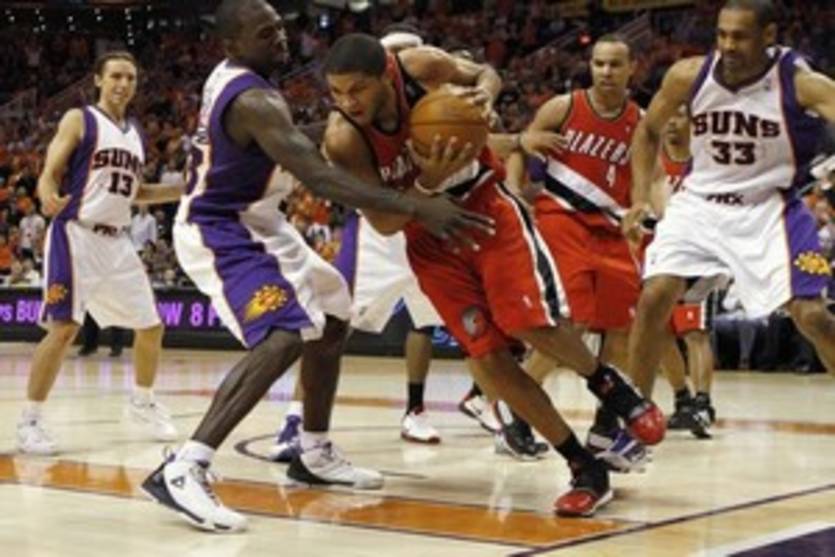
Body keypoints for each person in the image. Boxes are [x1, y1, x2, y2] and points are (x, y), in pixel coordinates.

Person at [140, 0, 493, 533]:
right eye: (266, 34)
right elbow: (320, 177)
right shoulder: (254, 99)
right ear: (232, 44)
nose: (281, 38)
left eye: (280, 28)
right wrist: (419, 204)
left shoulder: (241, 79)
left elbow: (284, 138)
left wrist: (350, 122)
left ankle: (313, 450)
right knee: (284, 335)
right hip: (221, 228)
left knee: (333, 316)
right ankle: (185, 467)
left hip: (260, 220)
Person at [321, 33, 664, 517]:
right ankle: (585, 467)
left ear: (385, 75)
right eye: (336, 92)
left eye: (357, 89)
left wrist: (483, 95)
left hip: (486, 206)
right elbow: (383, 221)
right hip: (428, 238)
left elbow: (486, 73)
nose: (347, 102)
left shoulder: (419, 65)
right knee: (489, 360)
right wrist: (428, 182)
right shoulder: (343, 138)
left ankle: (609, 386)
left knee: (529, 324)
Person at [623, 0, 835, 403]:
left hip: (770, 207)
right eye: (721, 35)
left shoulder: (802, 84)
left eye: (739, 36)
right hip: (701, 203)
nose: (728, 45)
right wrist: (638, 199)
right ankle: (631, 413)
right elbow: (648, 131)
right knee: (654, 296)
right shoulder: (689, 75)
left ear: (768, 36)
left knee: (813, 316)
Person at [508, 35, 700, 462]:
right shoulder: (564, 107)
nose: (606, 72)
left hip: (613, 226)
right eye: (599, 64)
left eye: (614, 64)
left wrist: (661, 216)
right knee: (570, 324)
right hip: (562, 218)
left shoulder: (642, 121)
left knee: (621, 328)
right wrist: (515, 190)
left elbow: (654, 178)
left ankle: (605, 424)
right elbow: (520, 146)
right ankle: (518, 416)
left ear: (632, 69)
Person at [271, 27, 448, 462]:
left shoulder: (433, 106)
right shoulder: (351, 123)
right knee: (333, 321)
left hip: (425, 222)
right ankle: (295, 418)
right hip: (377, 230)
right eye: (395, 55)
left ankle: (425, 409)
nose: (402, 64)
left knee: (430, 323)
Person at [16, 51, 181, 455]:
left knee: (151, 327)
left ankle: (142, 402)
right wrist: (46, 194)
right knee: (63, 328)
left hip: (117, 241)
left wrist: (187, 189)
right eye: (116, 76)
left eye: (130, 77)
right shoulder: (80, 119)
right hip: (78, 233)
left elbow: (136, 192)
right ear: (98, 80)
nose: (123, 84)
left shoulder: (135, 133)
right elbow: (50, 172)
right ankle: (30, 422)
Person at [652, 105, 718, 427]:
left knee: (695, 331)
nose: (671, 123)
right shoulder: (652, 162)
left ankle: (704, 403)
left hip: (700, 256)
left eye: (679, 116)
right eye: (667, 117)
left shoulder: (707, 162)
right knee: (659, 330)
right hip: (660, 254)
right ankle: (683, 399)